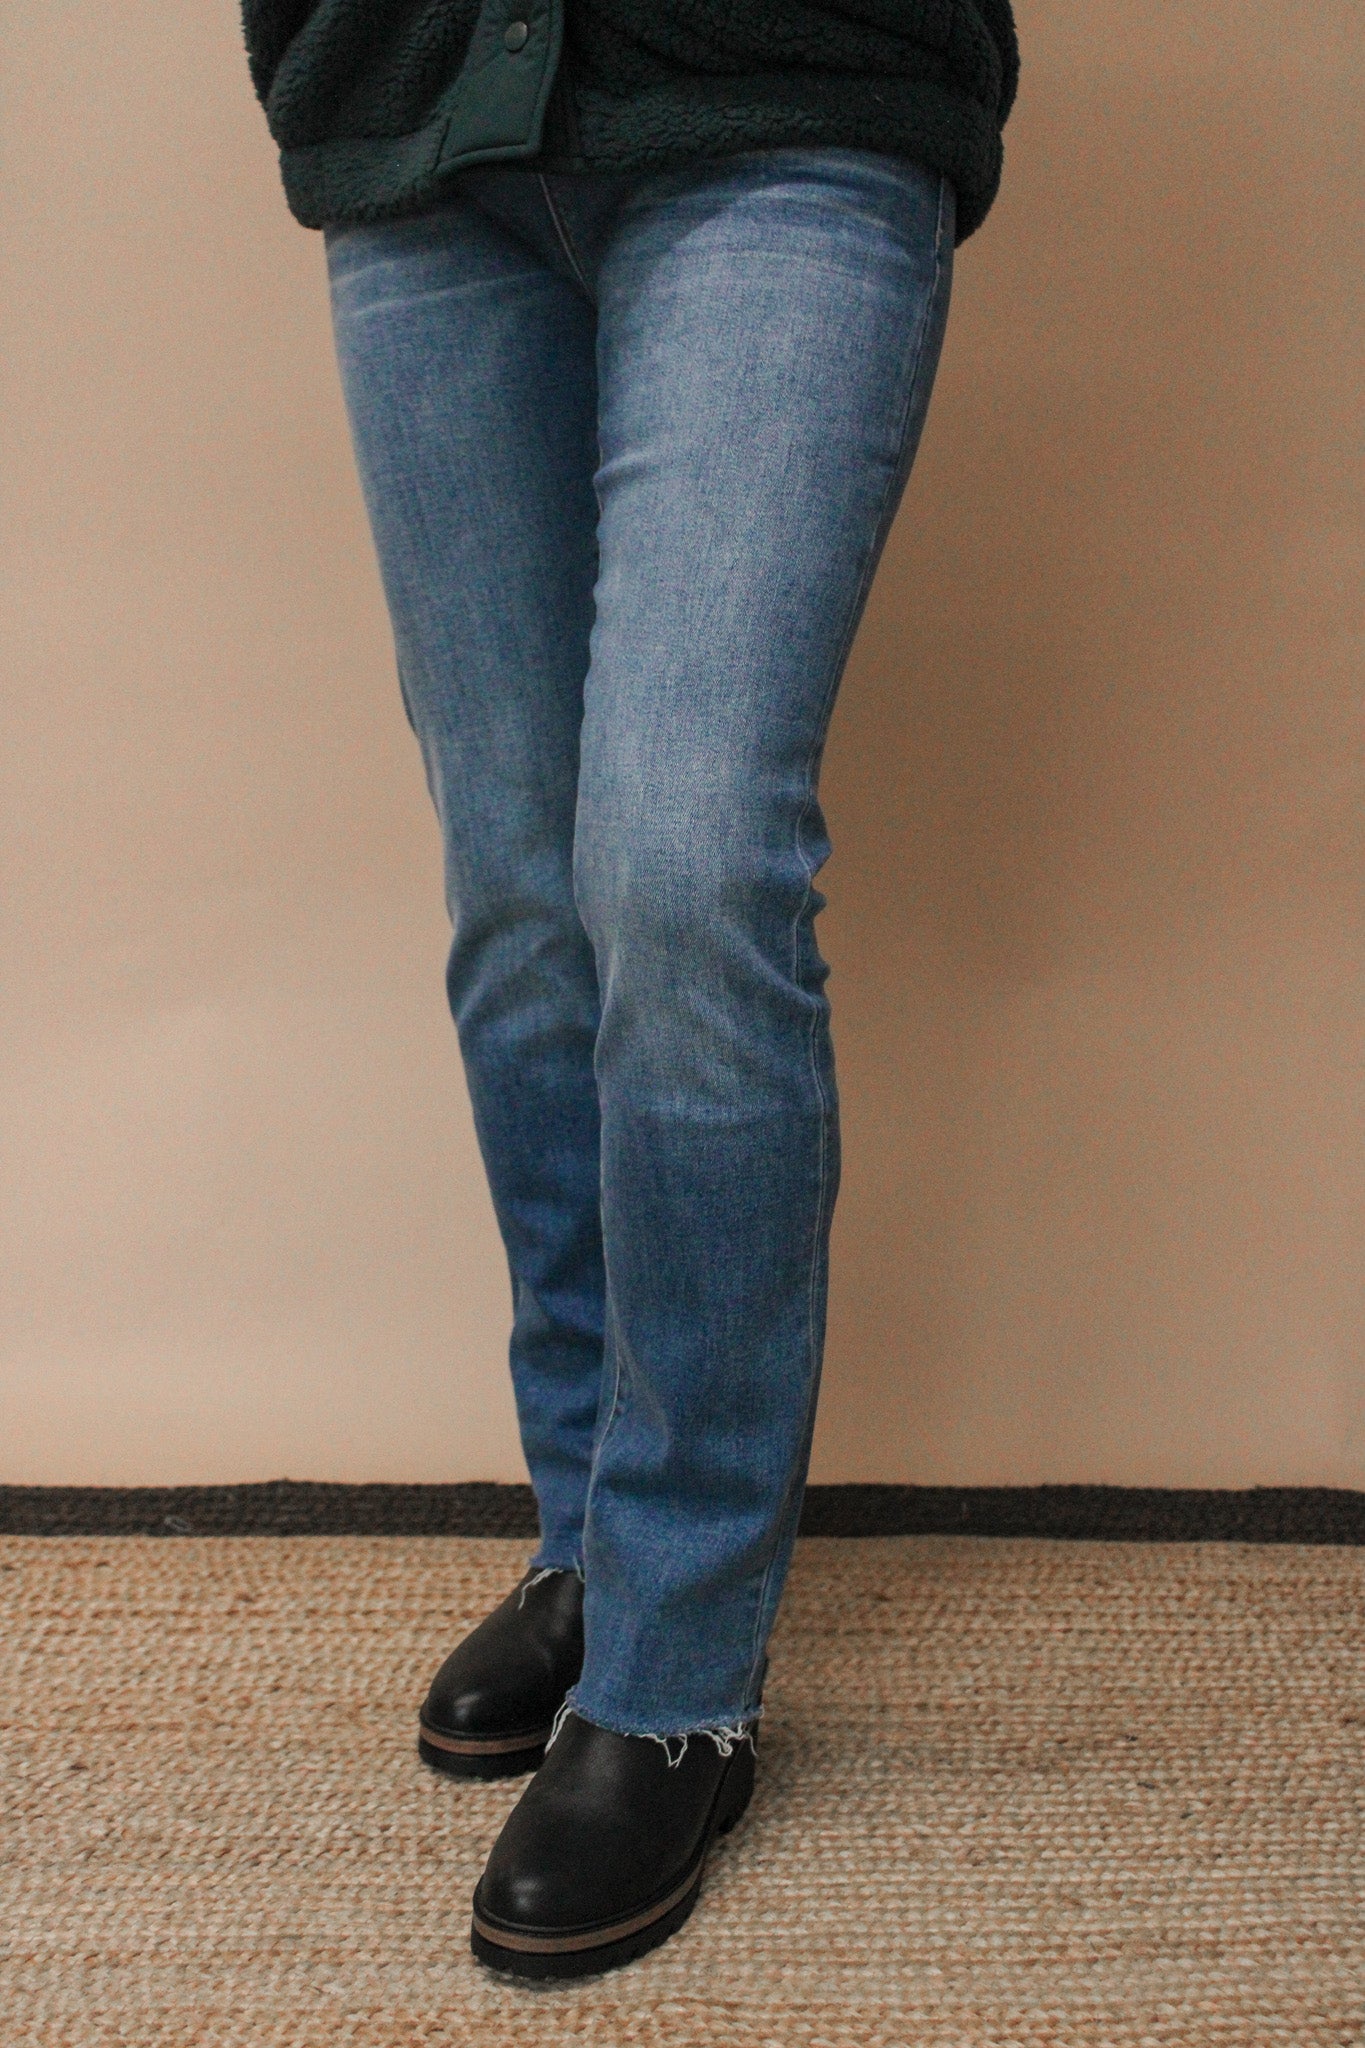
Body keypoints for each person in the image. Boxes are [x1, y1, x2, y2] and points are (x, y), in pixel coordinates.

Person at [242, 0, 1018, 1982]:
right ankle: (590, 1544)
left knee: (679, 866)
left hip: (784, 90)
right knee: (519, 894)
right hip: (419, 115)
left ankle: (673, 1672)